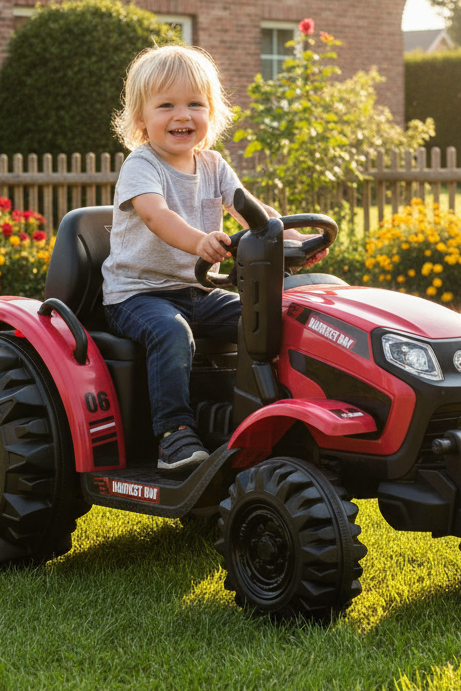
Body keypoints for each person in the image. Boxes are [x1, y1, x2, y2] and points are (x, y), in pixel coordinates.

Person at [101, 45, 323, 474]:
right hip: (139, 296)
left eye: (194, 104)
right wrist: (200, 241)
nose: (182, 115)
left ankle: (270, 412)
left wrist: (298, 238)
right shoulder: (142, 165)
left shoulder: (214, 164)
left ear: (212, 112)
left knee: (271, 317)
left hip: (202, 291)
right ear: (141, 119)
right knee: (170, 333)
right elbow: (156, 214)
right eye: (166, 105)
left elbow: (254, 213)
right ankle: (174, 435)